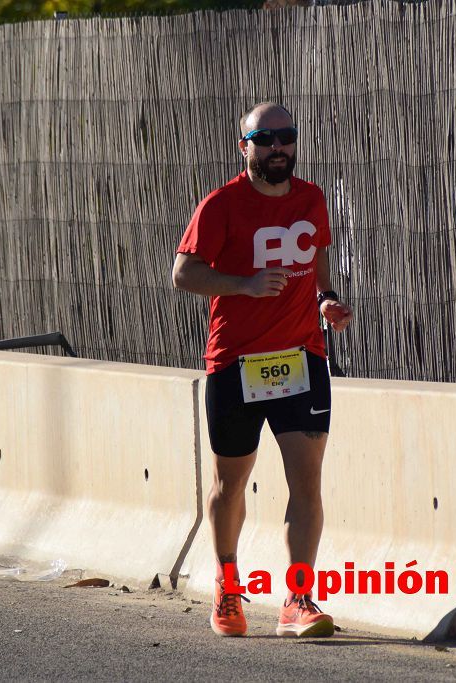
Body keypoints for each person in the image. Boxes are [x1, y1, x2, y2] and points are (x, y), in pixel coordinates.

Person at [172, 102, 353, 637]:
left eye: (287, 137)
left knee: (307, 482)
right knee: (231, 484)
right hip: (237, 363)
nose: (279, 147)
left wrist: (328, 300)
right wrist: (245, 285)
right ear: (244, 145)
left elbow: (317, 257)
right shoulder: (222, 204)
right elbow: (184, 273)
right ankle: (228, 586)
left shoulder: (312, 198)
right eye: (266, 138)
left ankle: (298, 599)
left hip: (301, 360)